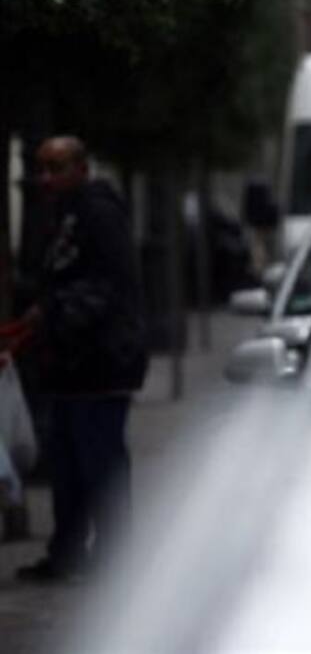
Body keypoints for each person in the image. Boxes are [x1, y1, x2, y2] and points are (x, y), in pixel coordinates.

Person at [15, 137, 148, 583]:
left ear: (81, 169)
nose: (46, 178)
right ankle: (68, 554)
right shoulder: (62, 214)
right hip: (72, 366)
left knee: (98, 464)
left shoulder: (97, 214)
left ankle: (114, 560)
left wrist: (51, 311)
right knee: (68, 468)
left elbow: (109, 286)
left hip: (101, 365)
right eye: (42, 169)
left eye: (56, 168)